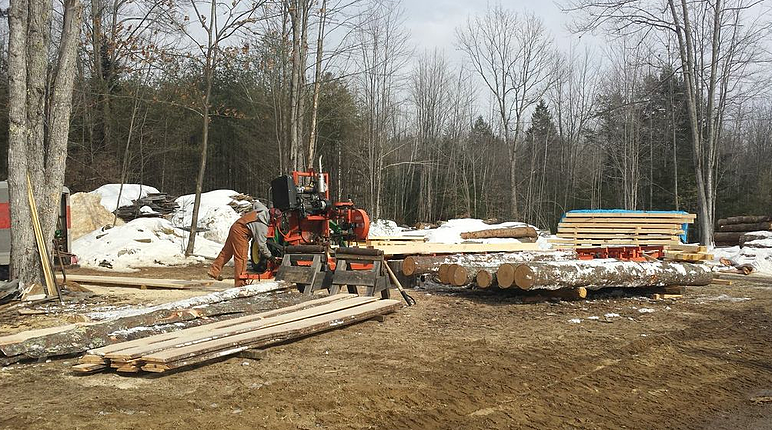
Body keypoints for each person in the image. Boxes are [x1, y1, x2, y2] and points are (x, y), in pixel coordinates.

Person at [207, 200, 272, 286]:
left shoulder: (263, 209)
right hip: (241, 232)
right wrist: (270, 256)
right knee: (241, 258)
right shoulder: (262, 227)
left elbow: (256, 203)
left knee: (226, 252)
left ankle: (214, 271)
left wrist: (251, 213)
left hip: (236, 226)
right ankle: (240, 283)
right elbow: (262, 246)